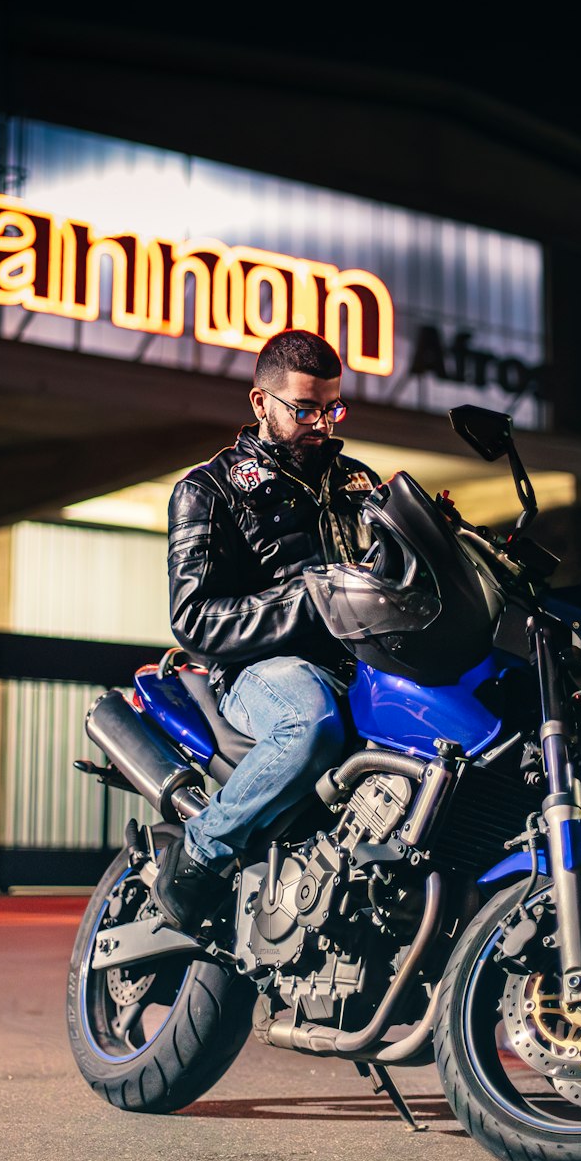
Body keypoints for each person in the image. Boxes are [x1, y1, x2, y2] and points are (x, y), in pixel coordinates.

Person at [152, 328, 380, 931]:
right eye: (304, 409)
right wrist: (313, 599)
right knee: (313, 721)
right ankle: (201, 851)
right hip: (261, 673)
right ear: (261, 404)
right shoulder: (208, 490)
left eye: (332, 407)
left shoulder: (358, 483)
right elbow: (193, 619)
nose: (322, 424)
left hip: (363, 667)